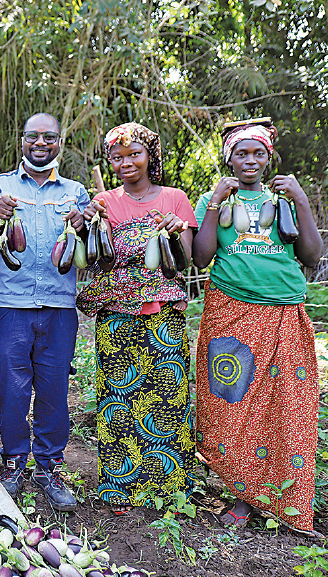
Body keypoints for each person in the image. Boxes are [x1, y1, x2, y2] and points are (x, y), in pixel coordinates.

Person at [191, 122, 323, 535]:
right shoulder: (216, 201)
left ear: (268, 158)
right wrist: (214, 203)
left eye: (258, 154)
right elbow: (200, 257)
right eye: (242, 154)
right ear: (229, 157)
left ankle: (286, 499)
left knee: (286, 408)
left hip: (284, 311)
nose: (250, 161)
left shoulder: (284, 201)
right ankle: (242, 495)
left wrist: (300, 198)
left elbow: (312, 256)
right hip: (230, 312)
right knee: (229, 404)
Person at [76, 122, 198, 514]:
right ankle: (119, 488)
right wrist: (86, 221)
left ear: (150, 155)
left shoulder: (176, 198)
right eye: (118, 157)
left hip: (163, 312)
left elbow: (187, 259)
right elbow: (96, 256)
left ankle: (168, 487)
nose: (127, 163)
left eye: (134, 154)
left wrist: (175, 231)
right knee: (118, 400)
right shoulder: (104, 202)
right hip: (117, 311)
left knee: (168, 395)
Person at [0, 113, 89, 511]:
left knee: (55, 390)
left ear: (60, 142)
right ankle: (13, 464)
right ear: (21, 140)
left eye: (49, 137)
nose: (41, 143)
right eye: (33, 136)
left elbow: (87, 253)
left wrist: (84, 225)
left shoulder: (76, 192)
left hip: (59, 308)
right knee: (11, 389)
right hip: (10, 307)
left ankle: (49, 468)